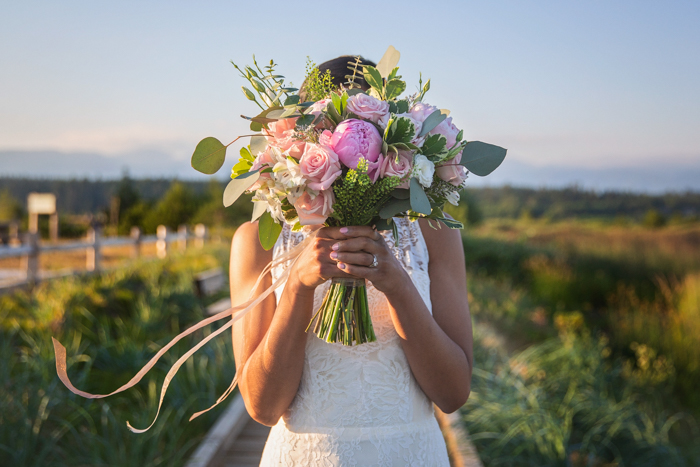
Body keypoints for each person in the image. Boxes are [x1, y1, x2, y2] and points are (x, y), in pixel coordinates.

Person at [229, 56, 474, 466]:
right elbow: (263, 406)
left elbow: (453, 395)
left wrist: (396, 283)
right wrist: (297, 286)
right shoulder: (256, 240)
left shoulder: (435, 234)